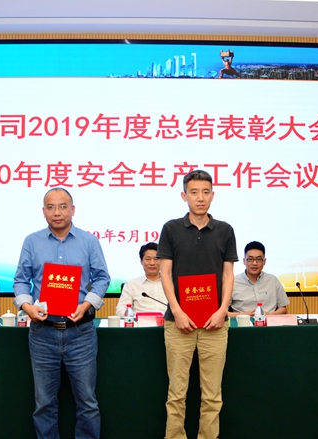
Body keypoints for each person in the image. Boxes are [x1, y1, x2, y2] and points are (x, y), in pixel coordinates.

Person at [13, 188, 110, 439]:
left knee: (87, 402)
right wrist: (27, 307)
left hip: (81, 333)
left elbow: (102, 278)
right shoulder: (31, 242)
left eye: (63, 206)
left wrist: (86, 304)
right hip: (42, 334)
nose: (57, 212)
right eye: (51, 207)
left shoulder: (89, 241)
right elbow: (21, 281)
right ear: (43, 211)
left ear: (73, 210)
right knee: (44, 403)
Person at [157, 169, 238, 439]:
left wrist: (222, 310)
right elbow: (165, 273)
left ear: (213, 195)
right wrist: (177, 311)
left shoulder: (225, 230)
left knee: (212, 395)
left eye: (205, 192)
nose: (200, 198)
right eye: (194, 192)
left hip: (215, 324)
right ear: (184, 196)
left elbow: (228, 275)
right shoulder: (171, 229)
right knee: (176, 394)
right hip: (178, 323)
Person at [229, 241, 290, 317]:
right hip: (243, 323)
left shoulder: (273, 280)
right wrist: (244, 315)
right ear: (244, 261)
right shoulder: (233, 282)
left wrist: (269, 315)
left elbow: (283, 309)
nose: (254, 263)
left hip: (269, 322)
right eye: (250, 259)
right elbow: (224, 312)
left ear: (264, 261)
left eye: (258, 259)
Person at [115, 242, 167, 317]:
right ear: (141, 261)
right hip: (139, 323)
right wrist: (135, 318)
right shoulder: (131, 284)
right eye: (148, 259)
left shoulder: (171, 283)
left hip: (166, 323)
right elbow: (120, 310)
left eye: (156, 259)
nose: (152, 263)